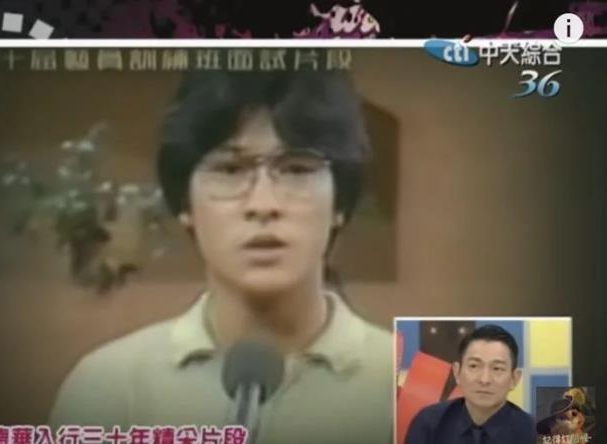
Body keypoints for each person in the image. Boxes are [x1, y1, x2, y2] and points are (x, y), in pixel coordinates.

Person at [49, 69, 393, 444]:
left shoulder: (419, 389)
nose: (263, 204)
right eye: (230, 170)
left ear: (339, 202)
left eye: (297, 169)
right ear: (186, 204)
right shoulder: (109, 389)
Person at [405, 324, 536, 444]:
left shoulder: (533, 433)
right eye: (474, 366)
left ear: (514, 379)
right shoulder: (429, 424)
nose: (484, 379)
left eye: (497, 368)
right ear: (457, 372)